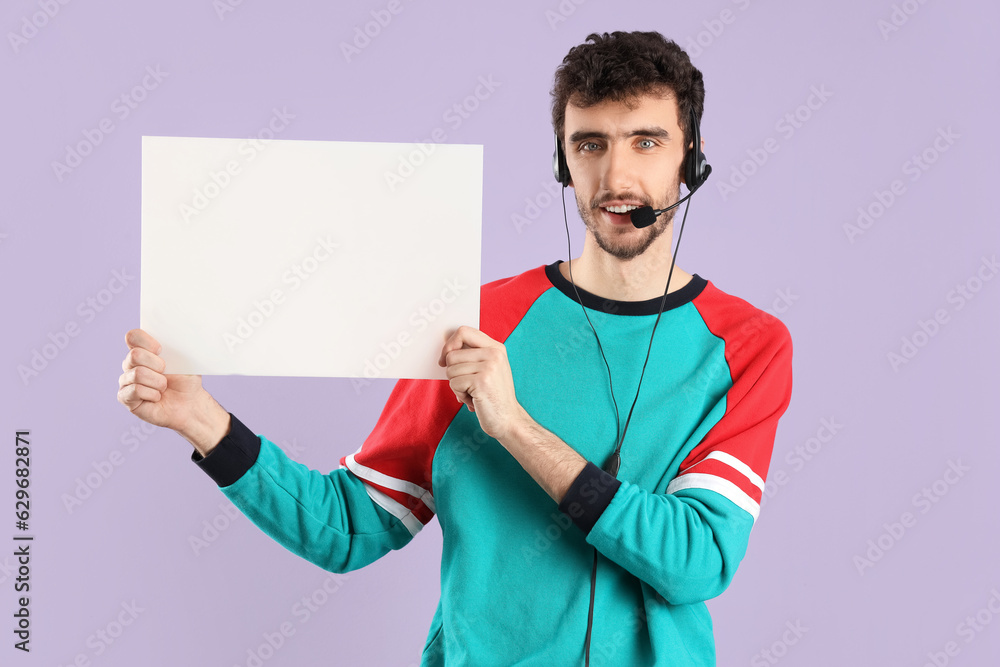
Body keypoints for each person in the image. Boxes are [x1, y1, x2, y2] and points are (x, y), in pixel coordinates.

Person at [118, 31, 793, 666]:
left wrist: (514, 426)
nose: (616, 175)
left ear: (691, 156)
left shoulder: (748, 346)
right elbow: (350, 527)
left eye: (646, 141)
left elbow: (696, 557)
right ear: (563, 160)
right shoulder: (475, 321)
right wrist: (199, 418)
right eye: (590, 145)